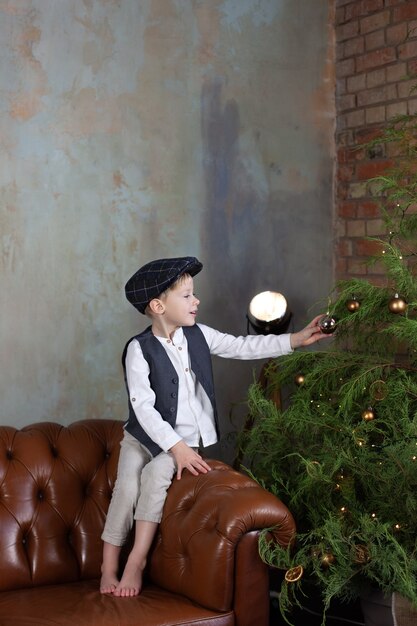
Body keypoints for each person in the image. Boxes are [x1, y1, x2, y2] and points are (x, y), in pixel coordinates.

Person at [100, 256, 328, 597]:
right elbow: (142, 407)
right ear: (158, 305)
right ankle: (108, 566)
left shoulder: (199, 335)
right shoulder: (139, 348)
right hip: (142, 439)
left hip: (185, 442)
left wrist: (295, 339)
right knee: (127, 487)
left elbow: (242, 345)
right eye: (188, 296)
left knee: (152, 479)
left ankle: (136, 561)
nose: (197, 301)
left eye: (194, 294)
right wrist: (173, 446)